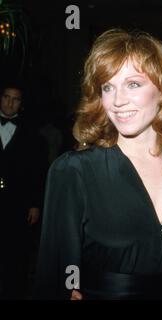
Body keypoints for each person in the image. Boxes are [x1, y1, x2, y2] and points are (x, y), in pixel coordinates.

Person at [33, 29, 162, 300]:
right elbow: (54, 279)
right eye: (107, 87)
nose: (117, 101)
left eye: (133, 84)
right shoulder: (74, 171)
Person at [0, 82, 47, 299]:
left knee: (16, 253)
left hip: (17, 203)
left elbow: (38, 172)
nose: (10, 102)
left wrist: (35, 204)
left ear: (21, 104)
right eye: (6, 97)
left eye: (15, 99)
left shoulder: (33, 135)